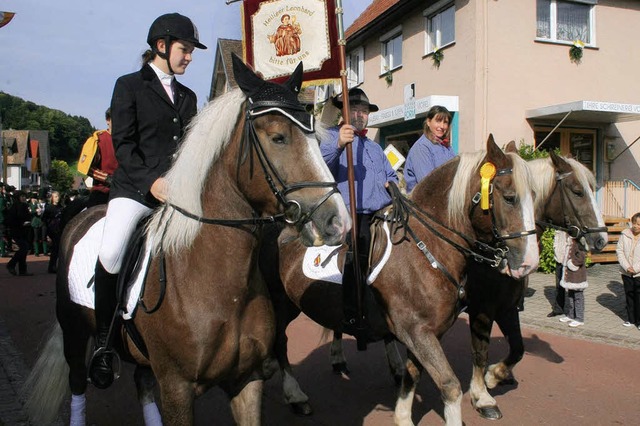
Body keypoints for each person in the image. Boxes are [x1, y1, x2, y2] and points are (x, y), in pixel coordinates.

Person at [88, 12, 207, 389]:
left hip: (176, 192)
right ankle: (104, 345)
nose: (189, 57)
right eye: (185, 50)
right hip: (136, 191)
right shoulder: (129, 86)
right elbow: (123, 145)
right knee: (110, 253)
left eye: (190, 52)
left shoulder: (189, 97)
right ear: (162, 46)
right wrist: (151, 183)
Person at [320, 87, 398, 325]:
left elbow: (392, 175)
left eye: (364, 111)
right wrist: (339, 146)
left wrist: (392, 185)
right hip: (351, 212)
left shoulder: (373, 146)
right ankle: (353, 310)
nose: (360, 115)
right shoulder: (331, 136)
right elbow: (320, 168)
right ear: (344, 112)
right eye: (355, 110)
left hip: (381, 212)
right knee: (358, 248)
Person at [403, 105, 455, 193]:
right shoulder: (422, 147)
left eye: (445, 122)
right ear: (428, 122)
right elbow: (427, 183)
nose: (442, 126)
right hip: (422, 202)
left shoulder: (447, 147)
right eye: (438, 121)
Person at [85, 108, 119, 208]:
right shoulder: (98, 140)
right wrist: (108, 179)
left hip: (126, 192)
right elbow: (87, 168)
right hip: (102, 191)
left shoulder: (130, 140)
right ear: (108, 120)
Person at [616, 212, 640, 330]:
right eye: (635, 223)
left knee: (639, 297)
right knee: (629, 295)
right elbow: (619, 251)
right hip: (626, 272)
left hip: (638, 273)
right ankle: (631, 319)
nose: (636, 226)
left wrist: (635, 268)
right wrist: (627, 267)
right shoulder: (625, 234)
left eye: (639, 224)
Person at [558, 234, 588, 327]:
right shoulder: (570, 241)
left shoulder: (579, 241)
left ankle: (579, 318)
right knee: (570, 295)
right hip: (570, 275)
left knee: (578, 296)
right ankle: (571, 315)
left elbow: (581, 257)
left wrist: (571, 263)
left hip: (577, 275)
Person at [5, 191, 33, 276]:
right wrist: (22, 223)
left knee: (24, 248)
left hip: (22, 230)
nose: (24, 198)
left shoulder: (18, 206)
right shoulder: (18, 206)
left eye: (24, 196)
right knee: (24, 248)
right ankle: (11, 264)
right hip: (17, 230)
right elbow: (13, 219)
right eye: (22, 196)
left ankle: (22, 270)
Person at [547, 230, 568, 317]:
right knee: (559, 285)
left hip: (569, 260)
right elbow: (557, 240)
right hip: (559, 258)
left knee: (572, 287)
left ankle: (573, 313)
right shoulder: (559, 227)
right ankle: (558, 309)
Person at [43, 191, 63, 273]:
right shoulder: (49, 208)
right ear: (52, 198)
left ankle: (55, 266)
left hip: (60, 229)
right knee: (55, 249)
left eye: (58, 196)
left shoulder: (61, 207)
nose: (57, 198)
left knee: (58, 249)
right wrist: (47, 234)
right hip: (52, 230)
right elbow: (44, 219)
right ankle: (52, 267)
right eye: (55, 196)